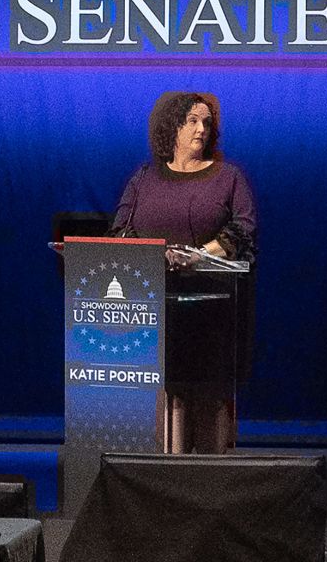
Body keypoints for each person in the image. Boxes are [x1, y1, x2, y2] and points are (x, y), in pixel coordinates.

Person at [110, 91, 256, 454]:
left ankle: (210, 480)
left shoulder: (228, 178)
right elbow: (119, 233)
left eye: (207, 122)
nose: (201, 129)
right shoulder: (144, 178)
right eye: (192, 120)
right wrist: (158, 257)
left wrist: (196, 256)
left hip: (213, 307)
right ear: (170, 127)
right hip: (154, 307)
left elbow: (243, 230)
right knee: (166, 402)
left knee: (208, 404)